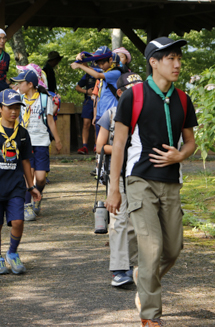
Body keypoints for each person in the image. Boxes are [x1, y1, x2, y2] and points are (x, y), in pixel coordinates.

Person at [107, 37, 198, 327]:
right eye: (170, 58)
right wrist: (114, 190)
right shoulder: (132, 97)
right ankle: (150, 316)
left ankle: (141, 277)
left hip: (171, 181)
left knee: (172, 249)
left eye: (179, 58)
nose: (177, 63)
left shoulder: (183, 99)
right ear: (153, 62)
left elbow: (190, 142)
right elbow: (118, 145)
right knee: (150, 247)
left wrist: (179, 157)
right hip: (139, 180)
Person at [0, 89, 41, 275]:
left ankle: (12, 252)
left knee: (18, 221)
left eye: (17, 107)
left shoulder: (23, 134)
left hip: (15, 187)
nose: (14, 111)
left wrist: (31, 186)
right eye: (9, 107)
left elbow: (26, 161)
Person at [96, 72, 142, 288]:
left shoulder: (146, 114)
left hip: (140, 174)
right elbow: (99, 146)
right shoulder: (111, 113)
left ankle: (132, 264)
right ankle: (119, 269)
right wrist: (119, 148)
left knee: (135, 221)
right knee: (119, 220)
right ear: (121, 93)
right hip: (118, 174)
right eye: (132, 90)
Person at [12, 69, 62, 221]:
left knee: (40, 179)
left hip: (41, 142)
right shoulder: (18, 99)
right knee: (28, 175)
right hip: (25, 142)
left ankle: (37, 195)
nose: (18, 85)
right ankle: (27, 206)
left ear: (30, 84)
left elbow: (50, 121)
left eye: (21, 83)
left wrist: (58, 140)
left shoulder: (45, 99)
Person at [70, 47, 121, 137]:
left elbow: (97, 75)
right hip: (100, 114)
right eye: (98, 64)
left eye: (102, 63)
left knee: (108, 144)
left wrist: (79, 66)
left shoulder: (116, 73)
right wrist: (82, 56)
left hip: (111, 115)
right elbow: (89, 69)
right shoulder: (104, 71)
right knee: (100, 145)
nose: (100, 66)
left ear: (110, 60)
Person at [75, 64, 101, 155]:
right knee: (86, 124)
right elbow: (77, 87)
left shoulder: (102, 74)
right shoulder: (87, 76)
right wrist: (87, 92)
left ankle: (96, 145)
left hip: (99, 101)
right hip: (88, 101)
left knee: (97, 124)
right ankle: (84, 146)